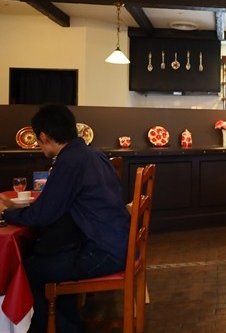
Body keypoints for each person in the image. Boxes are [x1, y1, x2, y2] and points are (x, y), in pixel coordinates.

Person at [0, 104, 130, 332]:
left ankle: (58, 328)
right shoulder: (93, 153)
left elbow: (43, 215)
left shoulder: (69, 160)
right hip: (116, 244)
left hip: (102, 253)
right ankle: (69, 326)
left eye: (38, 140)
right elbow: (54, 205)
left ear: (43, 136)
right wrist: (19, 208)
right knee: (53, 259)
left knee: (27, 270)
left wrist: (5, 213)